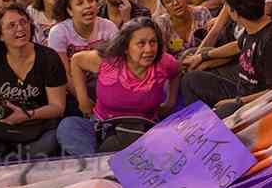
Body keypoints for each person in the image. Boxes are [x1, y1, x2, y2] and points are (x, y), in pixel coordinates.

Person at [57, 17, 180, 156]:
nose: (149, 49)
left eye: (153, 42)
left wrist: (170, 102)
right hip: (104, 128)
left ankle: (111, 161)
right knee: (67, 127)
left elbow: (176, 72)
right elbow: (77, 60)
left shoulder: (164, 62)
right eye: (141, 43)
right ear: (126, 47)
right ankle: (104, 162)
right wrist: (82, 100)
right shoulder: (107, 61)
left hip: (144, 130)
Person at [0, 5, 65, 164]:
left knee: (48, 143)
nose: (20, 28)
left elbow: (57, 108)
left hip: (36, 125)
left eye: (23, 22)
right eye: (11, 25)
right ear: (0, 35)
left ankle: (5, 161)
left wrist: (26, 115)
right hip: (2, 127)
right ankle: (3, 161)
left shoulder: (49, 58)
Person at [180, 0, 272, 114]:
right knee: (190, 80)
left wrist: (237, 102)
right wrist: (203, 56)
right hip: (241, 88)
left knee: (222, 111)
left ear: (234, 13)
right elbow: (237, 45)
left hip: (256, 103)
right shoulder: (254, 26)